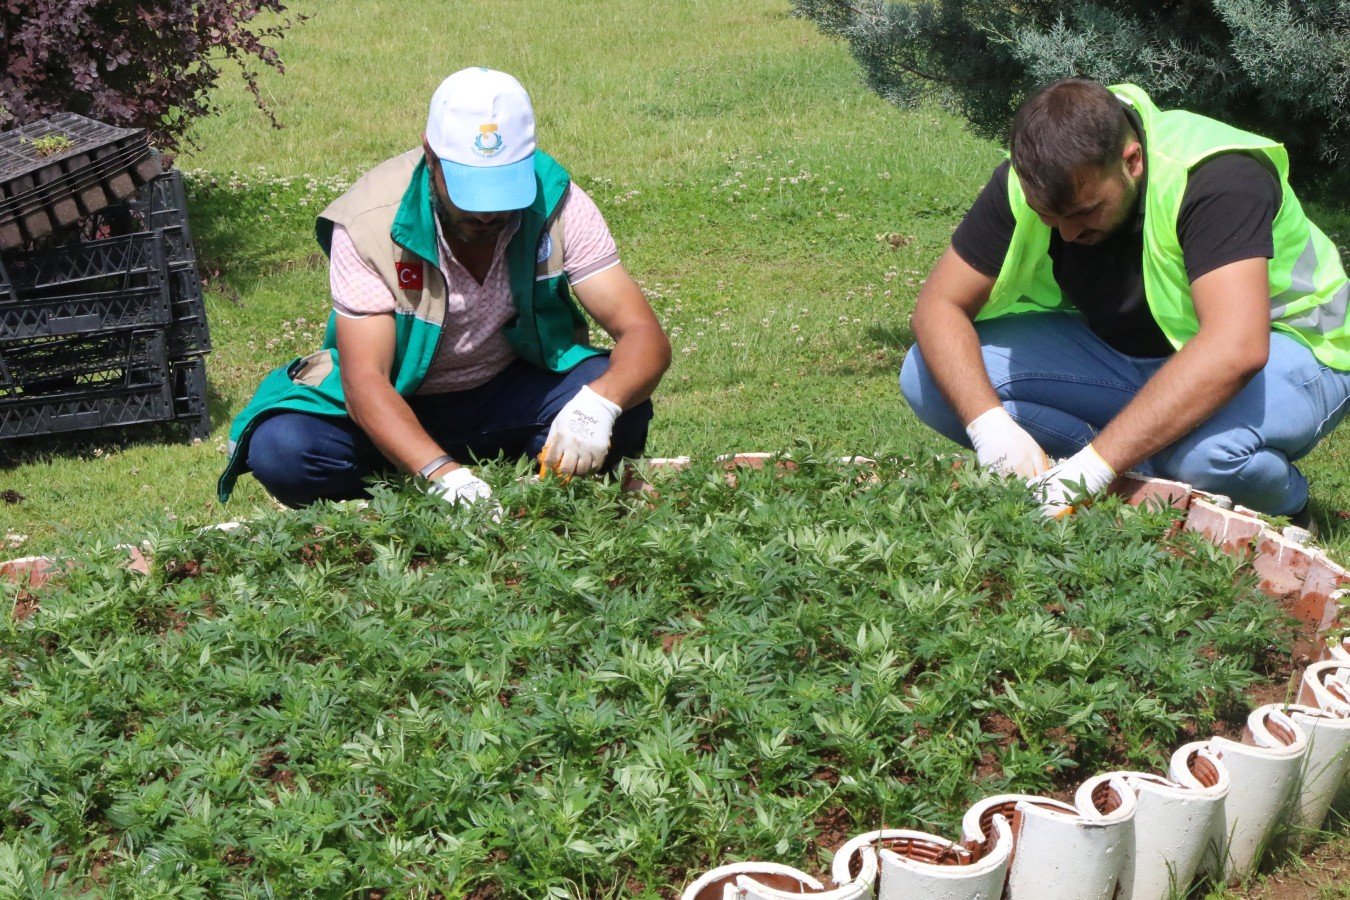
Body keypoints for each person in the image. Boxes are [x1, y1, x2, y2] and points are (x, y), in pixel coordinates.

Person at [218, 67, 671, 510]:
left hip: (508, 390)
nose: (487, 214)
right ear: (430, 155)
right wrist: (442, 474)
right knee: (285, 450)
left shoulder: (557, 200)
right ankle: (438, 475)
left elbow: (642, 333)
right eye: (469, 191)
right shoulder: (366, 222)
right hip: (402, 399)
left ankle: (500, 476)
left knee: (622, 400)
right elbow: (365, 382)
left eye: (502, 190)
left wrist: (599, 405)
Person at [900, 79, 1350, 520]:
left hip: (1302, 347)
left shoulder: (1216, 177)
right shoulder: (1032, 180)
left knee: (1205, 458)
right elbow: (939, 306)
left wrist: (1094, 467)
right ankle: (1142, 475)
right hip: (1140, 357)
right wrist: (990, 428)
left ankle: (1289, 508)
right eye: (1048, 217)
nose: (1068, 234)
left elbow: (1236, 349)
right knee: (930, 378)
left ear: (1131, 161)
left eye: (1085, 212)